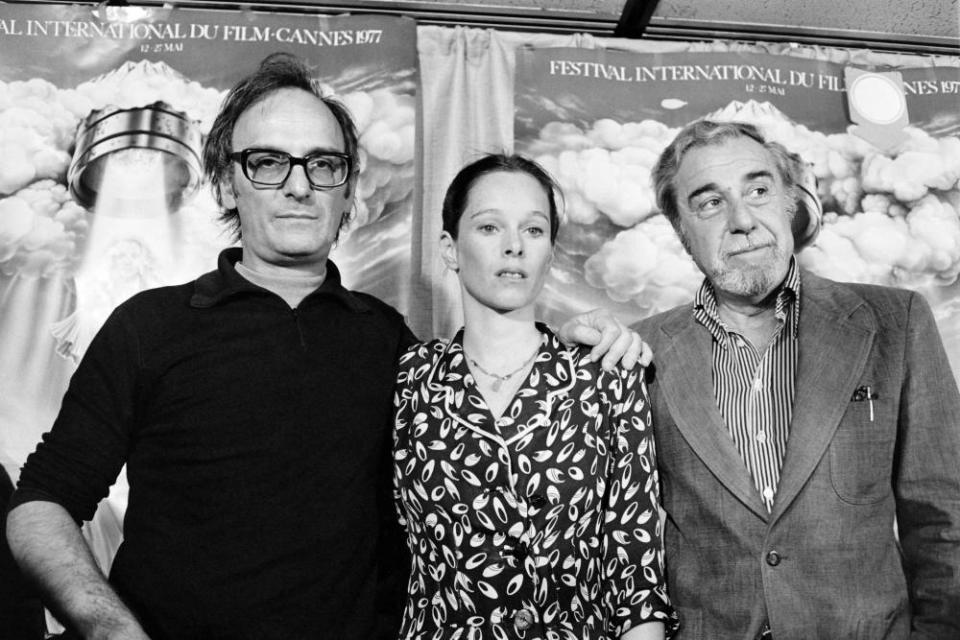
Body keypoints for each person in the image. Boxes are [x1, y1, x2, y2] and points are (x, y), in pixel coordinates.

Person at [5, 54, 646, 640]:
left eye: (323, 164)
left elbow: (484, 398)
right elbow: (41, 502)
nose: (298, 185)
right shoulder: (150, 326)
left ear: (347, 193)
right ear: (228, 186)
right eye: (267, 162)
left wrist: (565, 349)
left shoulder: (388, 340)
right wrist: (108, 626)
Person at [634, 119, 960, 639]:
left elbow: (945, 520)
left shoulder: (895, 323)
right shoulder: (637, 353)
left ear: (789, 202)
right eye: (710, 202)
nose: (742, 219)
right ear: (681, 230)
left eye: (758, 190)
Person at [393, 154, 677, 639]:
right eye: (488, 228)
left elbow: (636, 578)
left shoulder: (606, 378)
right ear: (450, 248)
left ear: (550, 249)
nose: (513, 247)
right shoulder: (409, 380)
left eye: (533, 230)